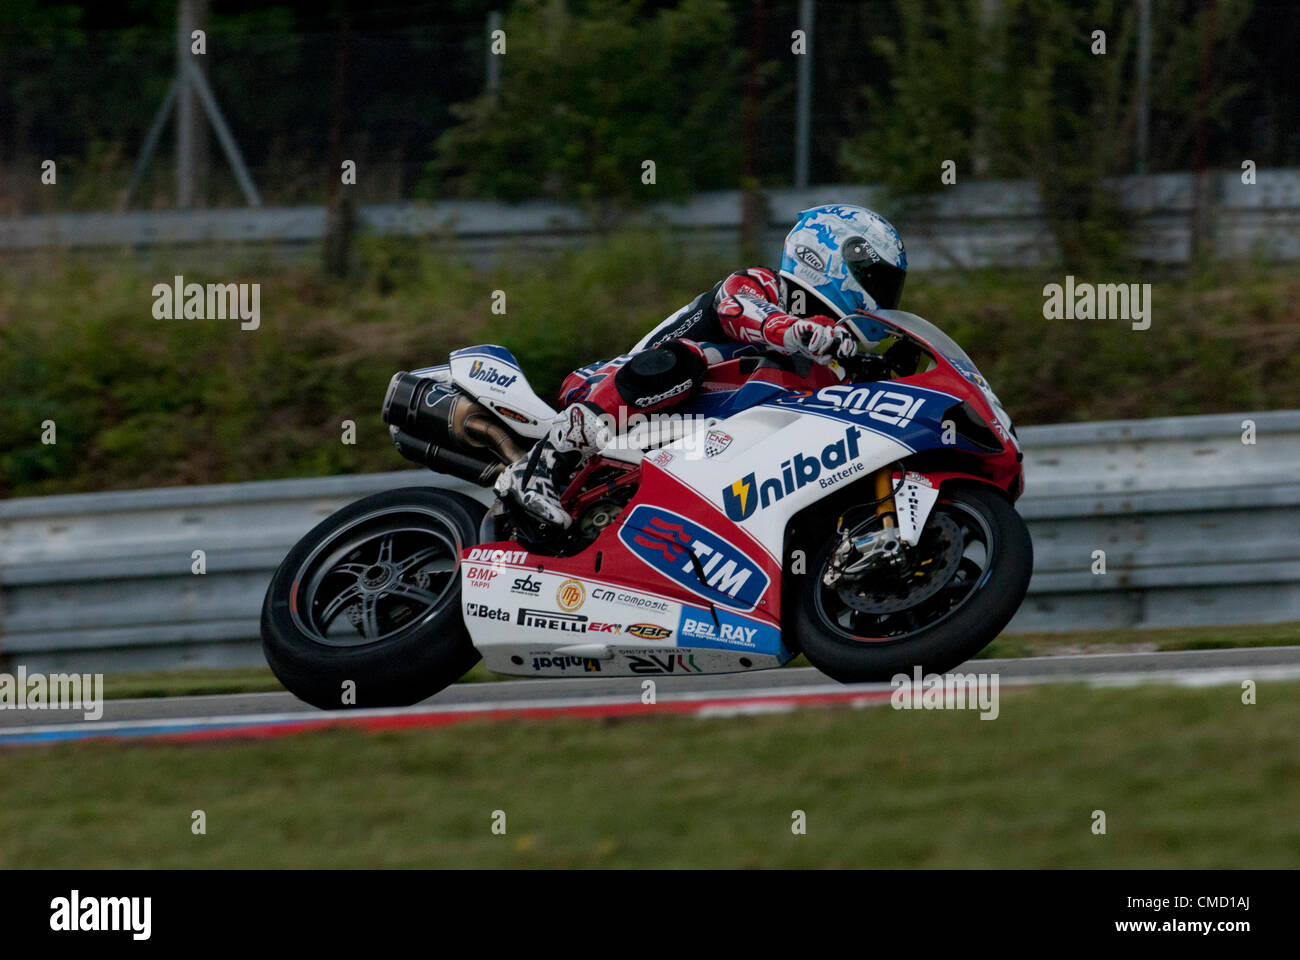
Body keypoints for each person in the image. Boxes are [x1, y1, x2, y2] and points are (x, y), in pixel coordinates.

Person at [495, 203, 908, 528]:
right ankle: (543, 464)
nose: (883, 298)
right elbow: (736, 309)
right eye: (876, 280)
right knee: (689, 359)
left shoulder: (830, 356)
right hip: (620, 392)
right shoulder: (763, 284)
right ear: (831, 257)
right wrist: (798, 331)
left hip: (707, 442)